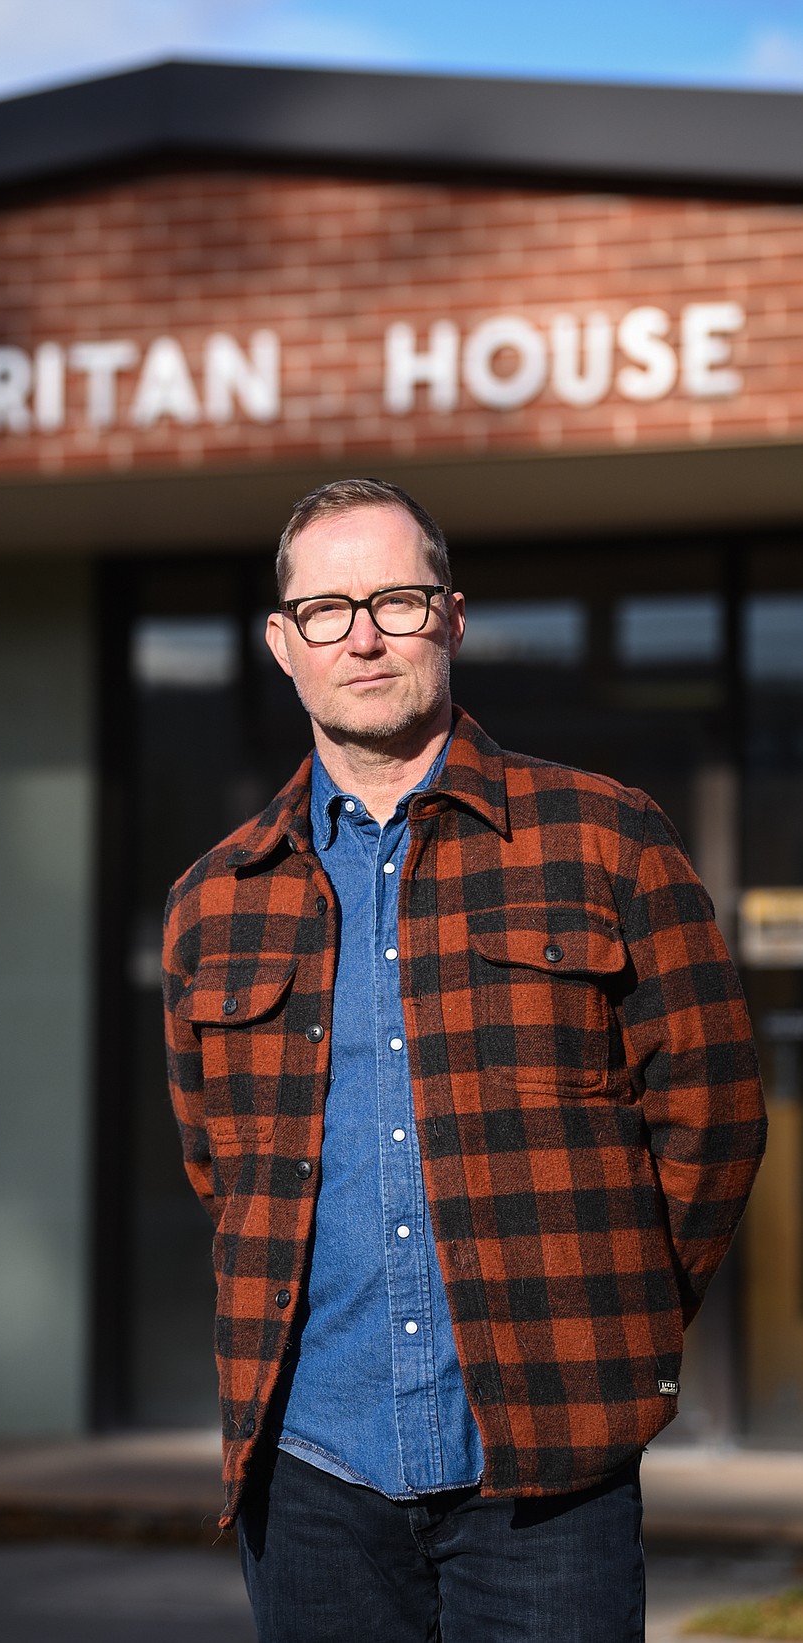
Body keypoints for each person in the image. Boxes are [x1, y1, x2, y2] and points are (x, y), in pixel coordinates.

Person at [161, 478, 766, 1643]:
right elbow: (219, 1167)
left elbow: (715, 1115)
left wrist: (608, 1305)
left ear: (453, 614)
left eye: (396, 596)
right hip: (310, 1468)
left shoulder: (608, 837)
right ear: (284, 644)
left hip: (549, 1460)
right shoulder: (213, 899)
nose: (366, 635)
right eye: (328, 609)